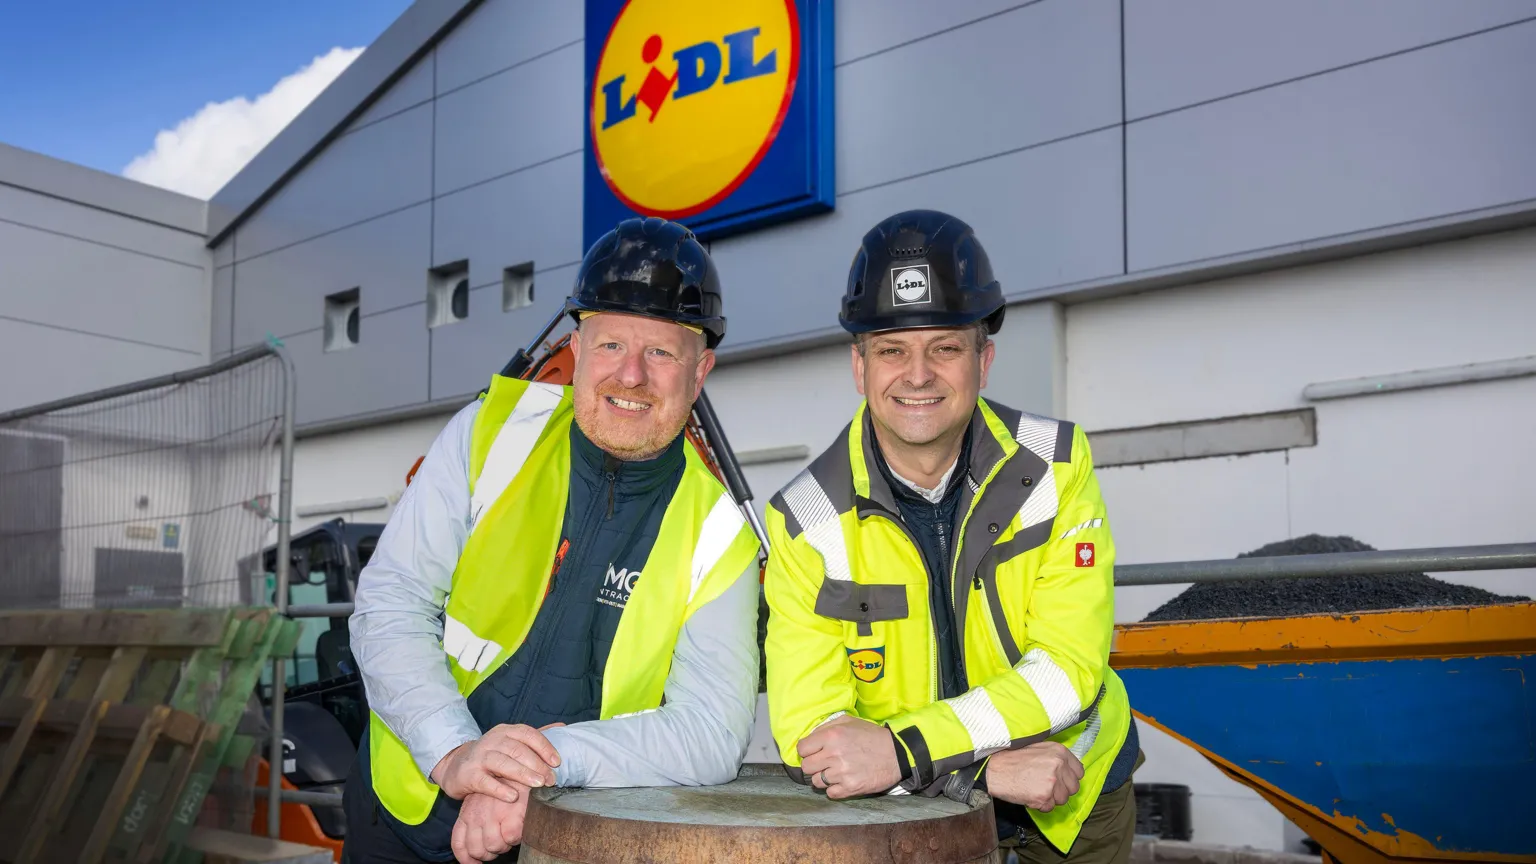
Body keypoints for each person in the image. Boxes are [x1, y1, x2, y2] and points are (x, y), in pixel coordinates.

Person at [342, 217, 763, 863]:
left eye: (661, 352)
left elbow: (710, 732)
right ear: (579, 343)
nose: (630, 375)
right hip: (401, 812)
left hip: (561, 836)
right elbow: (391, 603)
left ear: (699, 370)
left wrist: (540, 764)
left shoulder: (719, 532)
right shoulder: (491, 432)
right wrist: (454, 752)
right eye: (611, 345)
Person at [764, 210, 1142, 863]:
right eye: (891, 350)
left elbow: (1066, 672)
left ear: (983, 359)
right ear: (859, 367)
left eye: (943, 347)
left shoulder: (1055, 464)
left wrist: (903, 751)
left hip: (1072, 803)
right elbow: (814, 736)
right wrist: (975, 776)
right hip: (911, 818)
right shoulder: (805, 518)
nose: (918, 375)